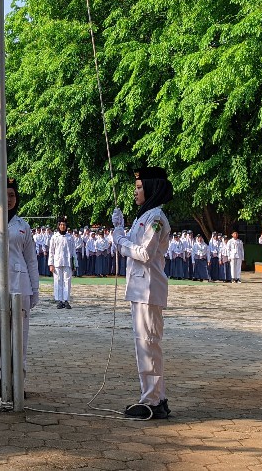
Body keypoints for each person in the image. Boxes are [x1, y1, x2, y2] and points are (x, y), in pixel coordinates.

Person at [112, 166, 173, 420]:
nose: (136, 192)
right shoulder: (146, 216)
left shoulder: (156, 218)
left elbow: (144, 253)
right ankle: (156, 396)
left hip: (148, 289)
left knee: (148, 345)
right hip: (140, 288)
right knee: (146, 345)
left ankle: (151, 400)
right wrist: (120, 229)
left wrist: (120, 240)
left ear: (151, 188)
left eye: (139, 188)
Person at [0, 178, 40, 366]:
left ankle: (19, 381)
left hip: (20, 284)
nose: (9, 199)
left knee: (19, 337)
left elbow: (31, 261)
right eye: (6, 195)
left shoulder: (23, 226)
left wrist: (35, 290)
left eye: (12, 195)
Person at [48, 216, 77, 309]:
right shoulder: (54, 237)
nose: (63, 226)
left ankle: (66, 299)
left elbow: (73, 251)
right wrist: (51, 264)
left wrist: (75, 263)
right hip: (57, 262)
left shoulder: (70, 237)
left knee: (67, 281)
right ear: (58, 226)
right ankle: (59, 300)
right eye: (61, 225)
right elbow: (51, 251)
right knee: (58, 281)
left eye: (64, 225)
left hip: (67, 262)